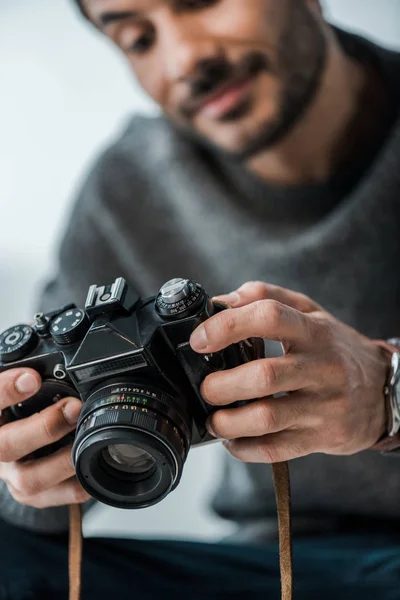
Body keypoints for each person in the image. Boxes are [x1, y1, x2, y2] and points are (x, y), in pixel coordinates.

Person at [0, 0, 400, 598]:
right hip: (275, 566)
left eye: (201, 0)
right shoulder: (126, 189)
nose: (187, 58)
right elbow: (33, 506)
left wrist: (386, 393)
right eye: (138, 38)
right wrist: (26, 474)